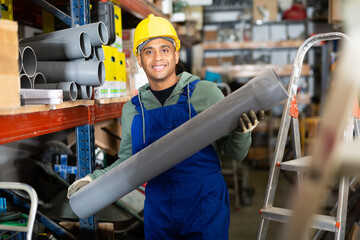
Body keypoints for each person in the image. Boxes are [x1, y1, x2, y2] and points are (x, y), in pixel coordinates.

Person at [68, 14, 265, 240]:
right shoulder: (132, 109)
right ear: (139, 60)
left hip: (204, 205)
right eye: (148, 51)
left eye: (164, 49)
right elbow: (127, 163)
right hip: (159, 211)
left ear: (176, 55)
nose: (157, 58)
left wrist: (241, 133)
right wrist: (94, 180)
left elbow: (235, 154)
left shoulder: (206, 92)